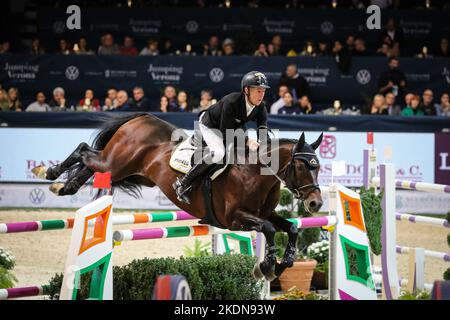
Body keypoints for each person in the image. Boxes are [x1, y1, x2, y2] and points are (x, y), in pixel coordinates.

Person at [173, 71, 271, 204]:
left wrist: (264, 146)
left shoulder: (261, 107)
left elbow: (263, 130)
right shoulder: (231, 101)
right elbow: (226, 134)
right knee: (219, 153)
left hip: (233, 125)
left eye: (263, 91)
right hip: (211, 125)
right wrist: (248, 141)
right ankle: (183, 183)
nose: (262, 94)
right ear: (246, 90)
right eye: (258, 91)